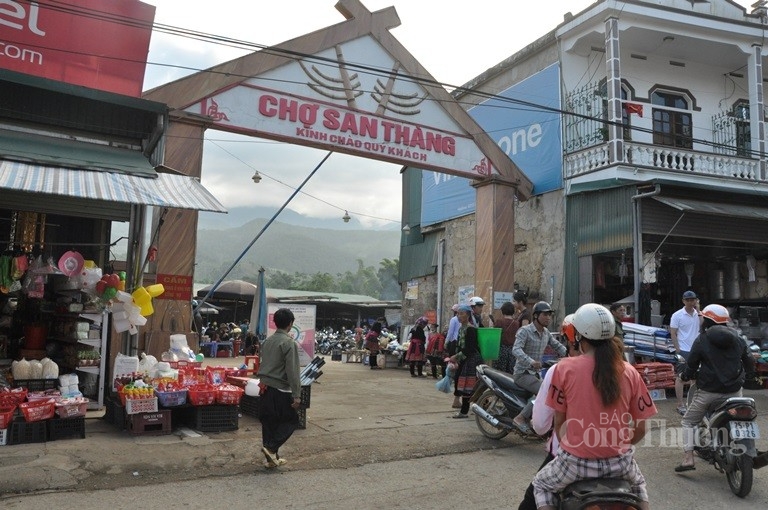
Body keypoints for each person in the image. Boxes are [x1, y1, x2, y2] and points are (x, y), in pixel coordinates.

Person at [532, 303, 657, 510]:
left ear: (579, 337)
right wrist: (616, 445)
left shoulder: (564, 368)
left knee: (541, 485)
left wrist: (578, 445)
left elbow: (559, 423)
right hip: (620, 463)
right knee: (639, 486)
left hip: (576, 463)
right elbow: (642, 428)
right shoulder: (630, 372)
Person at [675, 304, 756, 472]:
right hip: (734, 392)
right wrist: (748, 375)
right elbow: (749, 360)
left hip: (708, 393)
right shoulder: (738, 338)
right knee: (743, 417)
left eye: (703, 317)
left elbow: (691, 366)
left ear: (708, 320)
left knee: (688, 421)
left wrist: (685, 376)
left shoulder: (702, 339)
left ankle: (688, 459)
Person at [518, 313, 580, 510]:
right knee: (638, 490)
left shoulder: (560, 371)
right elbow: (639, 426)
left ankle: (521, 416)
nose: (547, 318)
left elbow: (541, 424)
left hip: (569, 456)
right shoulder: (626, 370)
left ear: (574, 339)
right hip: (617, 458)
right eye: (545, 315)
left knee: (536, 492)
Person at [511, 301, 567, 435]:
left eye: (549, 315)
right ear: (536, 316)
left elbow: (557, 346)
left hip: (536, 374)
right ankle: (520, 418)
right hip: (522, 373)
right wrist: (531, 361)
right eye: (545, 314)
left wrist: (572, 355)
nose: (548, 318)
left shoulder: (546, 333)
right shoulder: (525, 331)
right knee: (546, 391)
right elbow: (516, 349)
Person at [256, 307, 302, 469]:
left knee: (269, 422)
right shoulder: (289, 343)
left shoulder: (267, 341)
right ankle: (271, 449)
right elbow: (293, 371)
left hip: (264, 386)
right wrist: (297, 394)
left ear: (275, 323)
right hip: (280, 388)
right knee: (291, 420)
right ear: (290, 324)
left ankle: (272, 458)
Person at [447, 305, 481, 418]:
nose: (459, 316)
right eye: (458, 314)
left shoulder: (471, 329)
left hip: (471, 360)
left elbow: (470, 348)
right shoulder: (461, 328)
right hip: (464, 359)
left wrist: (456, 356)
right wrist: (455, 357)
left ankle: (465, 411)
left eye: (462, 313)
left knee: (468, 386)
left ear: (468, 315)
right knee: (462, 384)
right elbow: (459, 345)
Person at [670, 290, 700, 415]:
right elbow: (673, 333)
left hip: (696, 349)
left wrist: (699, 310)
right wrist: (678, 349)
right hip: (683, 349)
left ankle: (691, 403)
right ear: (683, 301)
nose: (690, 302)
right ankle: (680, 404)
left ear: (696, 300)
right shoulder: (677, 315)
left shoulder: (699, 314)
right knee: (681, 377)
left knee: (695, 378)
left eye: (692, 300)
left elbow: (702, 326)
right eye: (688, 300)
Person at [492, 301, 520, 374]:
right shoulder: (516, 323)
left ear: (502, 311)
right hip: (512, 352)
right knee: (510, 374)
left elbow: (494, 336)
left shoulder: (499, 322)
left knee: (499, 373)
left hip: (501, 350)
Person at [444, 304, 462, 408]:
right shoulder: (462, 321)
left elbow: (450, 332)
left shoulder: (454, 319)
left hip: (454, 343)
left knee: (452, 364)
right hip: (459, 344)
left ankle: (452, 378)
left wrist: (446, 342)